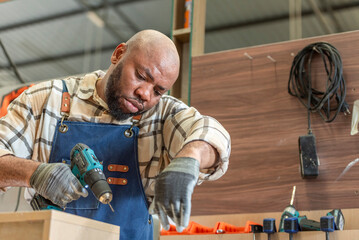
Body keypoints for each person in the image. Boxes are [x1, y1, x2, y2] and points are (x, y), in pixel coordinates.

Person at [0, 29, 230, 240]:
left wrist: (190, 158)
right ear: (118, 54)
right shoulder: (46, 99)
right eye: (141, 76)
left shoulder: (162, 115)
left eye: (158, 91)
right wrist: (35, 173)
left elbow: (211, 131)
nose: (145, 94)